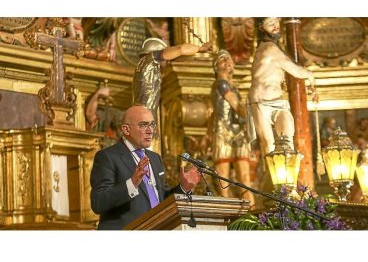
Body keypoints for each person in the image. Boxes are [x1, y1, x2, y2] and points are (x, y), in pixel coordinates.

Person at [90, 105, 201, 230]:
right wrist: (132, 184)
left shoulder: (155, 158)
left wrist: (183, 188)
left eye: (152, 125)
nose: (150, 131)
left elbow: (162, 199)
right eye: (143, 125)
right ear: (126, 130)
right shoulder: (107, 157)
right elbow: (98, 202)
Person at [248, 17, 317, 154]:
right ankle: (275, 175)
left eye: (276, 21)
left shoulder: (272, 46)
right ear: (261, 27)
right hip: (260, 102)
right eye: (270, 24)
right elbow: (296, 70)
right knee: (270, 146)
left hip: (278, 102)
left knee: (287, 140)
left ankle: (290, 175)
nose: (275, 26)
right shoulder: (269, 48)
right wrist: (311, 77)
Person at [210, 49, 255, 208]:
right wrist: (254, 116)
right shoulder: (221, 84)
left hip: (237, 130)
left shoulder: (231, 86)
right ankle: (229, 207)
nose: (227, 62)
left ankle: (250, 207)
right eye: (222, 60)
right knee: (223, 174)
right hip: (224, 129)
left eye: (229, 59)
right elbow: (235, 105)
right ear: (216, 67)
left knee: (244, 174)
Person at [132, 37, 212, 119]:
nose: (167, 63)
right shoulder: (150, 60)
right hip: (146, 117)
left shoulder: (141, 67)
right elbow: (180, 49)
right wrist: (201, 48)